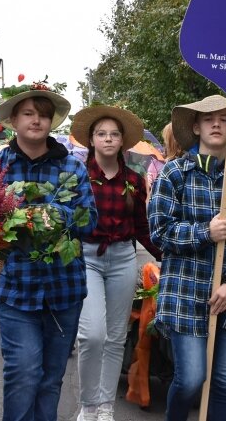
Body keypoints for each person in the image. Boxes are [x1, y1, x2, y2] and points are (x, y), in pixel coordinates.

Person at [0, 85, 97, 421]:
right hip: (16, 289)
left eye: (43, 114)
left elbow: (89, 221)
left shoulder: (73, 168)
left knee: (50, 379)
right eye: (29, 113)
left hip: (64, 290)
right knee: (23, 373)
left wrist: (52, 215)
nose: (37, 120)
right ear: (13, 120)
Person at [148, 94, 226, 421]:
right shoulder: (175, 173)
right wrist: (205, 232)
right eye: (209, 118)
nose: (217, 123)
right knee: (191, 378)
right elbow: (159, 231)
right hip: (184, 291)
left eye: (225, 118)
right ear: (197, 127)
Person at [70, 105, 162, 421]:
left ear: (122, 141)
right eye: (101, 134)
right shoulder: (78, 176)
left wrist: (167, 256)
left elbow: (142, 228)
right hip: (88, 258)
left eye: (114, 134)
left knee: (115, 336)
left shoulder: (135, 180)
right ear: (92, 140)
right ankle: (87, 404)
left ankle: (106, 406)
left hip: (123, 258)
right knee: (91, 335)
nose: (108, 139)